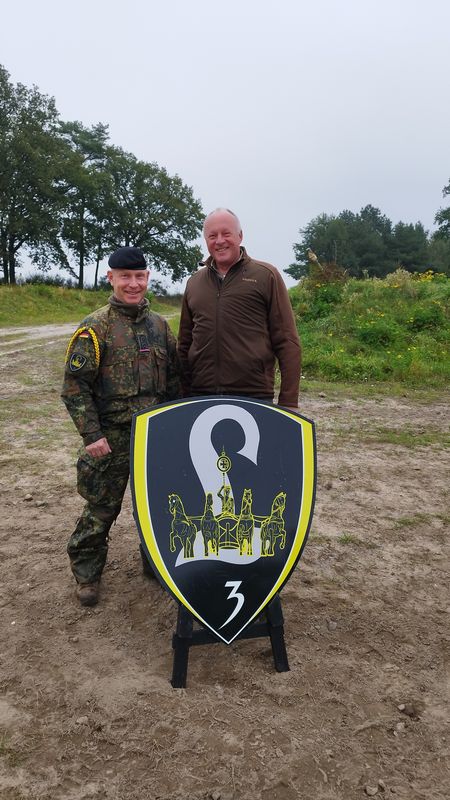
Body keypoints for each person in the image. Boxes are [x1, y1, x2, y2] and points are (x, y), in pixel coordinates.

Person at [61, 246, 180, 607]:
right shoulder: (94, 327)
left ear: (147, 278)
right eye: (125, 277)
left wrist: (176, 428)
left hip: (154, 437)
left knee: (157, 507)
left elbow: (174, 380)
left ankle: (156, 565)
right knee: (101, 508)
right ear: (111, 277)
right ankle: (86, 572)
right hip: (110, 440)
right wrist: (92, 435)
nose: (133, 284)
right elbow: (74, 387)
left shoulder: (159, 326)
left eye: (139, 276)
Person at [178, 208, 301, 409]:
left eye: (226, 234)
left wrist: (289, 401)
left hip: (254, 395)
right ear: (205, 240)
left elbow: (287, 341)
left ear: (240, 236)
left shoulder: (266, 276)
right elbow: (184, 345)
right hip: (201, 395)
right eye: (212, 236)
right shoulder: (194, 282)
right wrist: (184, 394)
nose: (219, 241)